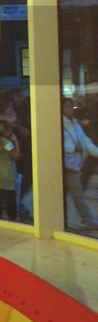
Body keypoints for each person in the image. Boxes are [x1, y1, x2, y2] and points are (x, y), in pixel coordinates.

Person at [62, 98, 98, 230]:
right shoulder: (60, 124)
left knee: (66, 193)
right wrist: (73, 148)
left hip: (73, 164)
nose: (70, 109)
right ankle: (86, 218)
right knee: (77, 193)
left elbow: (86, 143)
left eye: (71, 106)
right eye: (67, 107)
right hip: (66, 165)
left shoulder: (75, 125)